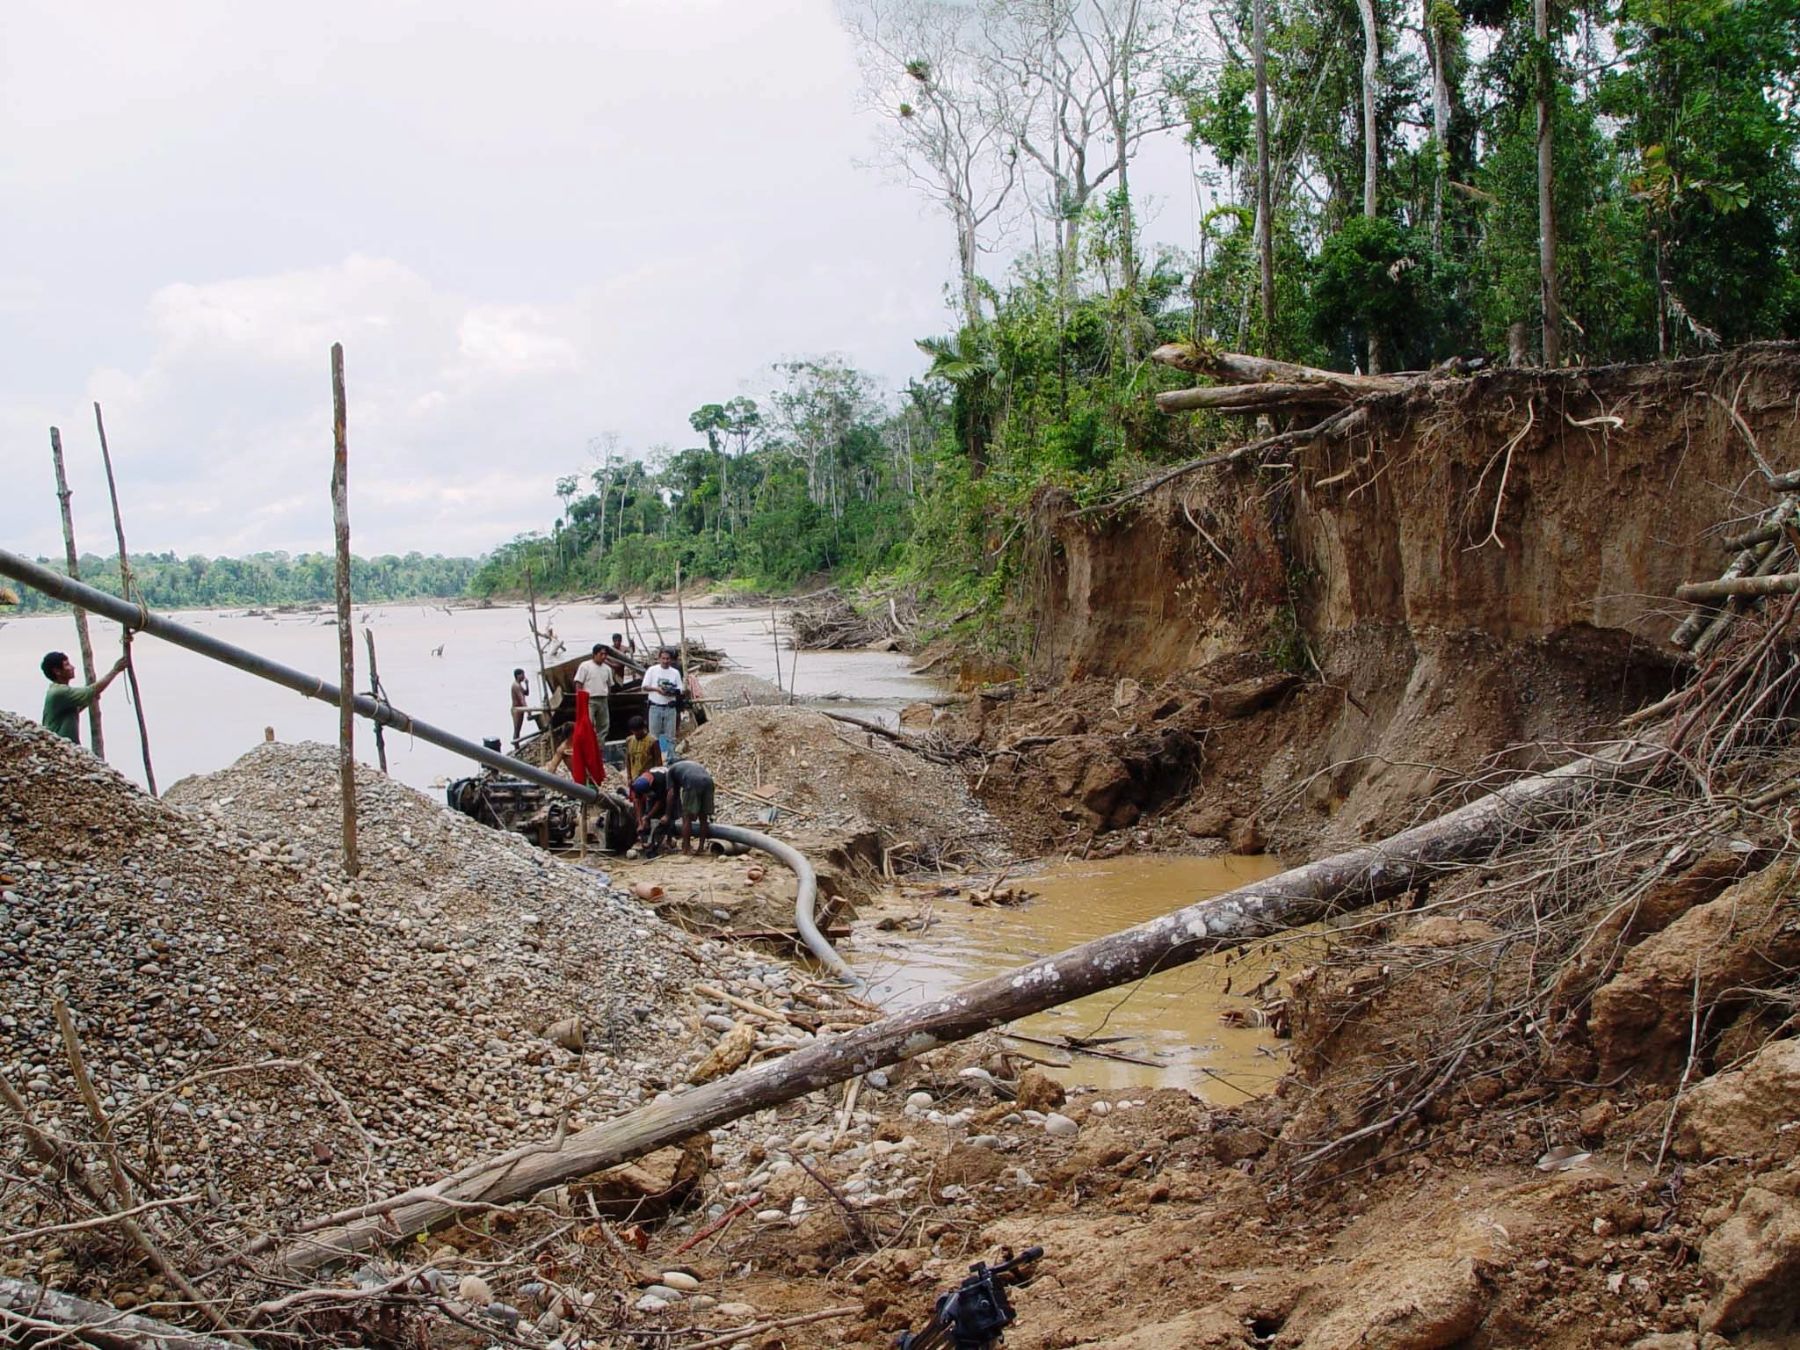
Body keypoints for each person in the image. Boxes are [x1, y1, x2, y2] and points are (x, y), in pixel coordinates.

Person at [41, 649, 127, 745]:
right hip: (58, 745)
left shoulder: (59, 691)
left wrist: (89, 699)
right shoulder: (59, 692)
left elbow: (73, 710)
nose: (72, 667)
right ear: (57, 671)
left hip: (64, 745)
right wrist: (115, 670)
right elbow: (91, 690)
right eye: (67, 665)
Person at [663, 757, 716, 854]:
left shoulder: (671, 770)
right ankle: (700, 848)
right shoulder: (689, 765)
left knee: (686, 817)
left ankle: (686, 848)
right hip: (708, 781)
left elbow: (671, 794)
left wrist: (667, 814)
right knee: (703, 817)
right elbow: (677, 793)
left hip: (692, 781)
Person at [572, 642, 616, 744]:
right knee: (588, 724)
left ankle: (600, 747)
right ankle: (588, 746)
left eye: (605, 654)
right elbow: (578, 683)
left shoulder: (607, 669)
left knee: (604, 725)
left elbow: (609, 685)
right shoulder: (585, 666)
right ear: (594, 654)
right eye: (601, 654)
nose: (603, 657)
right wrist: (580, 700)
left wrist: (607, 696)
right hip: (589, 700)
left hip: (603, 699)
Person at [645, 648, 684, 758]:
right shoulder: (652, 670)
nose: (665, 661)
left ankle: (671, 758)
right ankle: (654, 758)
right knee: (653, 736)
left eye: (668, 659)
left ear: (671, 660)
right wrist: (657, 690)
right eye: (663, 658)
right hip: (655, 706)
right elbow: (645, 686)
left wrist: (672, 691)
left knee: (670, 736)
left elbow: (680, 689)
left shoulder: (675, 672)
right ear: (659, 659)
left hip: (670, 707)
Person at [624, 714, 662, 782]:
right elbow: (628, 760)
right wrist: (629, 777)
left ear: (643, 728)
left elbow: (658, 762)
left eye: (638, 731)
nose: (636, 733)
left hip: (649, 778)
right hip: (635, 778)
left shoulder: (652, 741)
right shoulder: (629, 740)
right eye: (634, 731)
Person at [510, 668, 530, 743]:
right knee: (516, 729)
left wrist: (527, 684)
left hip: (520, 709)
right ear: (518, 675)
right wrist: (528, 710)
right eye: (522, 674)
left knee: (519, 729)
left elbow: (526, 693)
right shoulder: (516, 686)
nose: (524, 676)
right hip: (516, 710)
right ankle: (516, 745)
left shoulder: (519, 685)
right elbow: (522, 699)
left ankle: (516, 744)